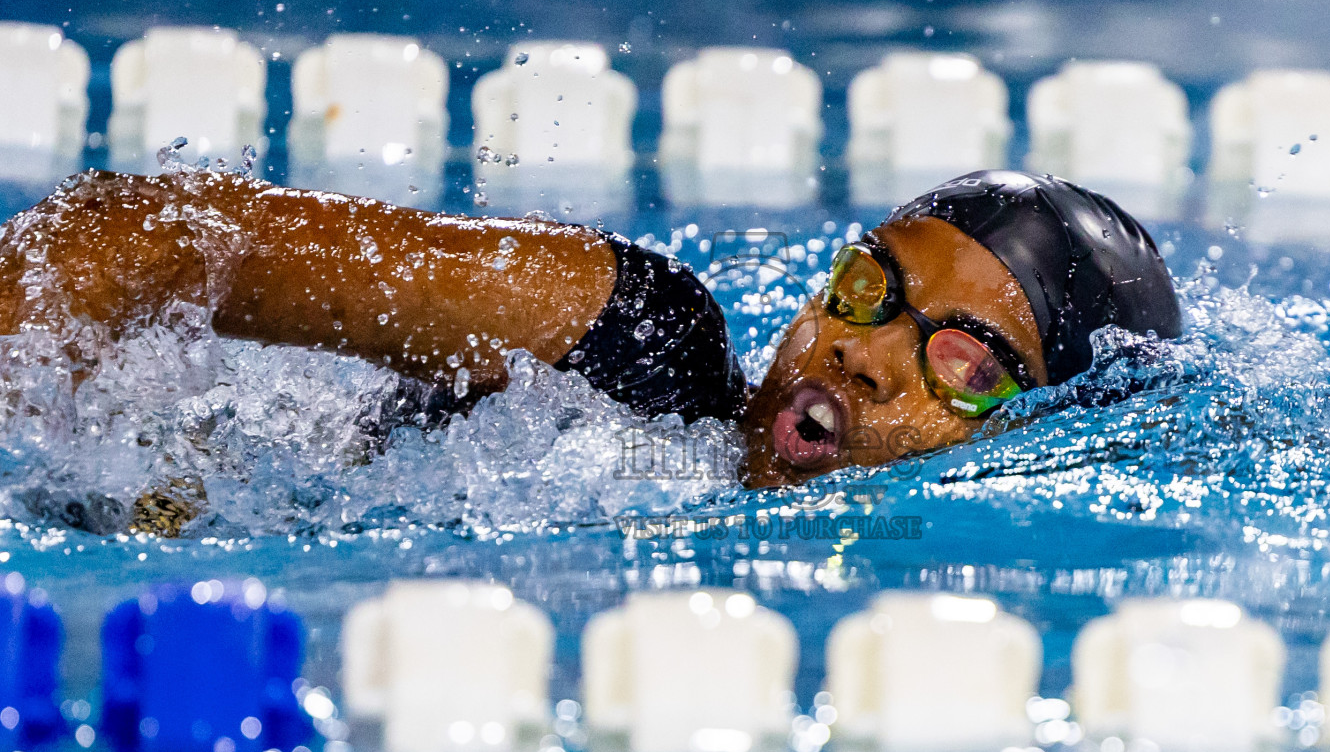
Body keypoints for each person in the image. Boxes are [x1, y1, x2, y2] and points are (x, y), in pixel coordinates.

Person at [0, 167, 1180, 517]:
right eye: (870, 290)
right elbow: (137, 236)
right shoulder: (631, 341)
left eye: (964, 361)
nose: (859, 355)